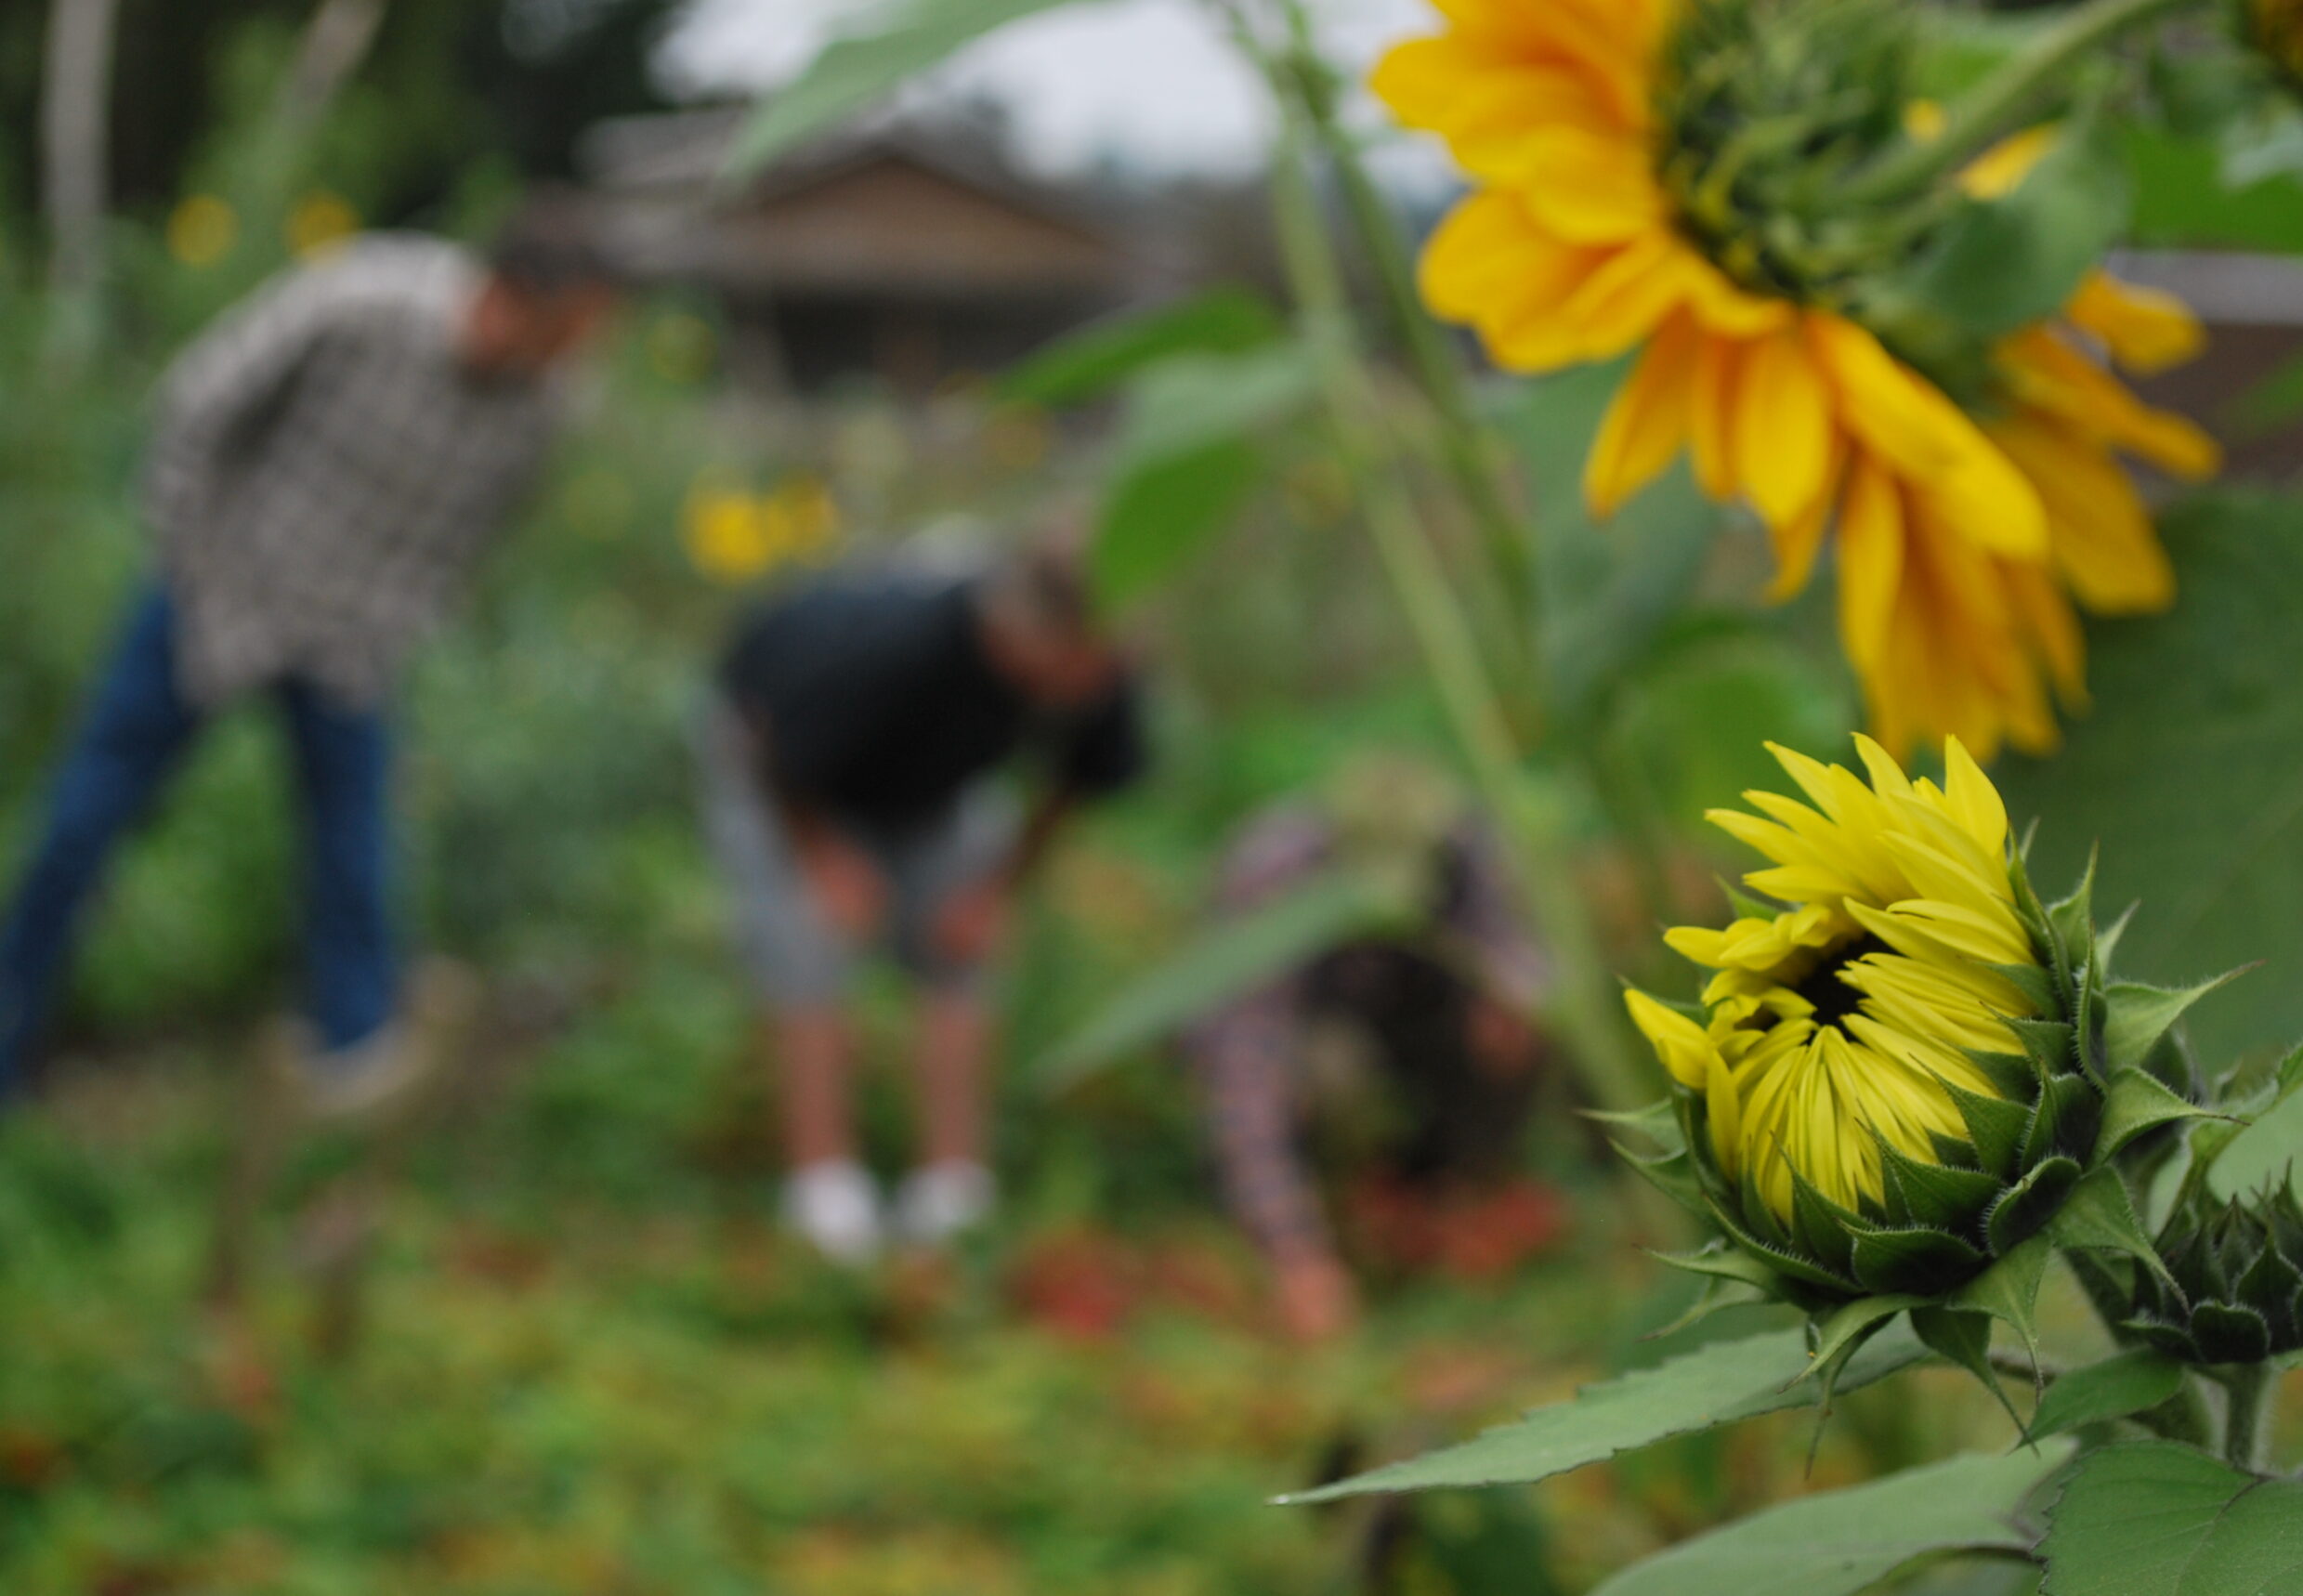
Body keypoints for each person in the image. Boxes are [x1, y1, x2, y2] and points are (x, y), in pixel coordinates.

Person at [0, 203, 617, 1110]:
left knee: (355, 853)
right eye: (562, 334)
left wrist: (409, 609)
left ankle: (352, 1077)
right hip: (220, 589)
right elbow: (198, 402)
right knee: (88, 817)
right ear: (507, 299)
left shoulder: (549, 404)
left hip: (350, 639)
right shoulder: (361, 301)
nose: (572, 357)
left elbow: (484, 527)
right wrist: (193, 559)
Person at [697, 538, 1148, 1262]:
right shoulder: (899, 652)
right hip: (781, 760)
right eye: (1083, 661)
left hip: (932, 788)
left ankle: (950, 1194)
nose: (1101, 678)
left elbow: (1077, 783)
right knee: (807, 943)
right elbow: (776, 750)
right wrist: (826, 864)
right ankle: (824, 1196)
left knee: (960, 952)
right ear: (1021, 640)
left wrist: (996, 891)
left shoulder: (1102, 662)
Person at [1183, 762, 1554, 1341]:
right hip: (1314, 1026)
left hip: (1413, 1002)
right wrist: (1294, 1253)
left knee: (1522, 1028)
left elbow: (1523, 950)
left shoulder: (1465, 845)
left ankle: (1448, 1198)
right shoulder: (1271, 874)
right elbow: (1243, 1073)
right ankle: (1331, 1216)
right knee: (1331, 1079)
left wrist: (1513, 998)